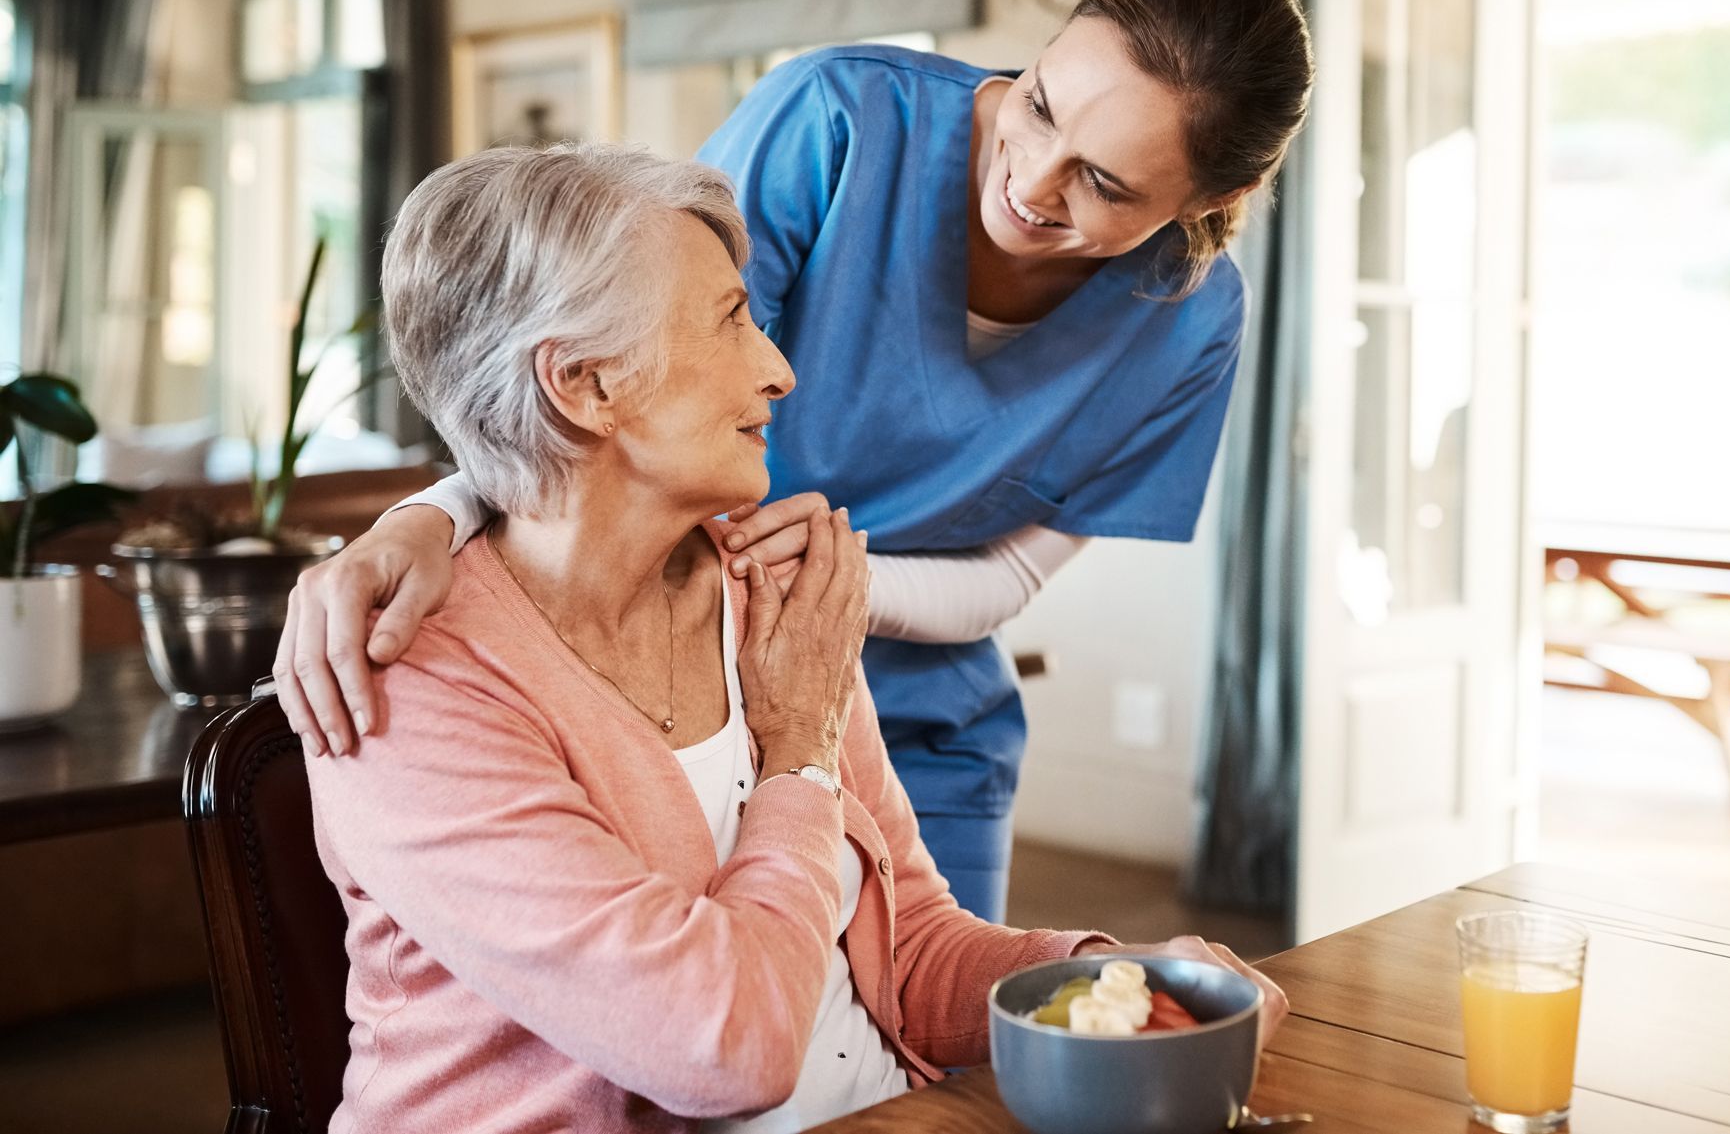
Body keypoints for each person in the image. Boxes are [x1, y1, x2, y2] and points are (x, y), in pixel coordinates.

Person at [276, 0, 1315, 923]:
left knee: (932, 1073)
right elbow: (597, 369)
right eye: (1039, 105)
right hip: (675, 686)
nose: (1032, 181)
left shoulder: (1190, 323)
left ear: (1214, 199)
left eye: (1103, 183)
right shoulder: (838, 122)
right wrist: (434, 514)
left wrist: (830, 595)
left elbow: (1011, 580)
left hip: (920, 723)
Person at [304, 144, 1286, 1133]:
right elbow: (728, 1049)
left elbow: (910, 954)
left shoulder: (768, 596)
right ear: (585, 385)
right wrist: (800, 759)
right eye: (732, 321)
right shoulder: (407, 681)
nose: (779, 371)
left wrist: (1108, 979)